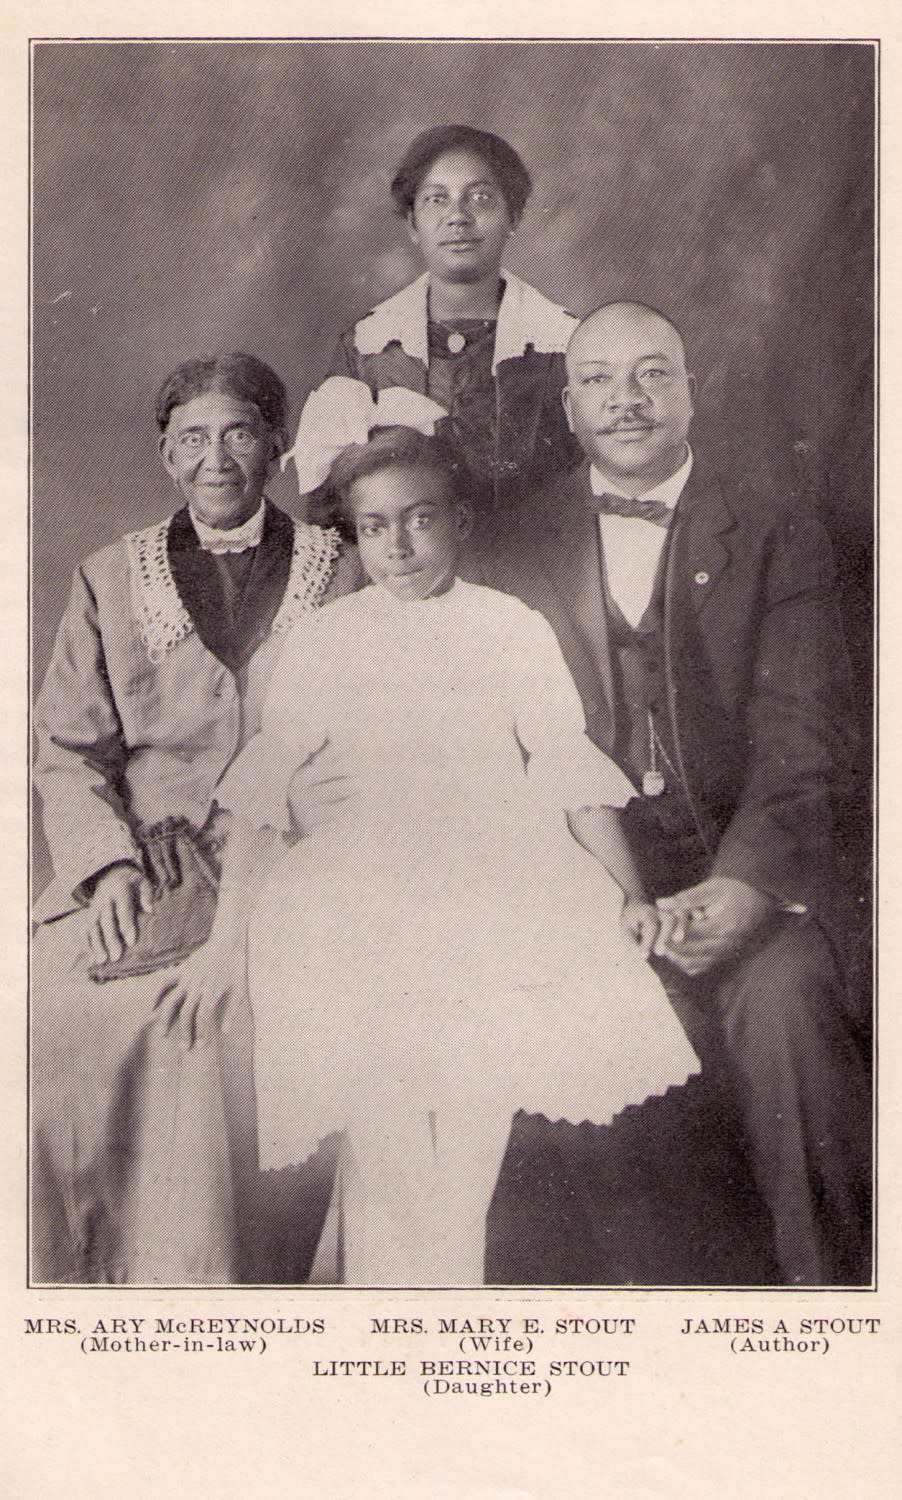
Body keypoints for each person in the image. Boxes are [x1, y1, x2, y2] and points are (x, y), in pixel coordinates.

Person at [161, 422, 699, 1286]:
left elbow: (568, 771)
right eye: (375, 527)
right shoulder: (326, 641)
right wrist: (226, 944)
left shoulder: (509, 626)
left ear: (459, 523)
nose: (399, 545)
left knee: (476, 1078)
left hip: (498, 866)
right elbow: (263, 801)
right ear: (355, 535)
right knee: (384, 1096)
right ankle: (401, 1283)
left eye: (420, 519)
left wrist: (629, 895)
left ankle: (444, 1275)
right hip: (358, 878)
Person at [471, 300, 871, 1286]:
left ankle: (832, 1327)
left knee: (786, 1016)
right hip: (593, 882)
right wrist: (599, 899)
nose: (627, 400)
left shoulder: (780, 535)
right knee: (561, 1038)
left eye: (652, 374)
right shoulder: (516, 546)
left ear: (691, 392)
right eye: (600, 380)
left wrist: (743, 890)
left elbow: (805, 739)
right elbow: (500, 750)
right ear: (569, 408)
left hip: (753, 874)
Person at [31, 352, 358, 1282]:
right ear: (167, 456)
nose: (217, 459)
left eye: (240, 434)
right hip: (146, 863)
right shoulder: (109, 576)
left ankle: (206, 1288)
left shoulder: (338, 573)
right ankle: (78, 1286)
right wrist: (108, 870)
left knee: (213, 1035)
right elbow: (67, 750)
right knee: (44, 1013)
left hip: (289, 871)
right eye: (193, 440)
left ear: (277, 446)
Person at [286, 124, 582, 518]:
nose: (458, 217)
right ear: (412, 224)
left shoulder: (565, 342)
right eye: (436, 200)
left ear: (513, 215)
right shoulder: (368, 346)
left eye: (480, 198)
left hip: (535, 566)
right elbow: (331, 500)